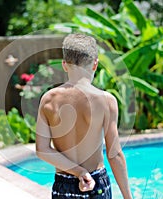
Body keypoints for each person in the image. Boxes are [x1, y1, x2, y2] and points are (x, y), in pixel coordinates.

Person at [36, 33, 132, 199]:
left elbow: (42, 150)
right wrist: (128, 197)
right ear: (95, 64)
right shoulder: (106, 101)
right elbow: (114, 154)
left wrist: (79, 172)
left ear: (64, 65)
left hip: (63, 186)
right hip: (97, 184)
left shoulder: (48, 99)